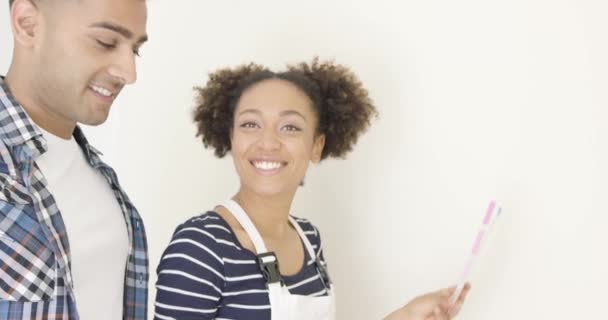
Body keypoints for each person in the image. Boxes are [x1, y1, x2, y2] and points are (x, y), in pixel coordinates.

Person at [154, 58, 470, 319]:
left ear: (316, 146)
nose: (268, 142)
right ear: (231, 137)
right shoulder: (201, 247)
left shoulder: (308, 240)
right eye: (251, 124)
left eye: (290, 127)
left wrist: (406, 315)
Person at [1, 0, 149, 318]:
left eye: (134, 49)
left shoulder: (101, 179)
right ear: (27, 24)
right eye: (105, 42)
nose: (129, 73)